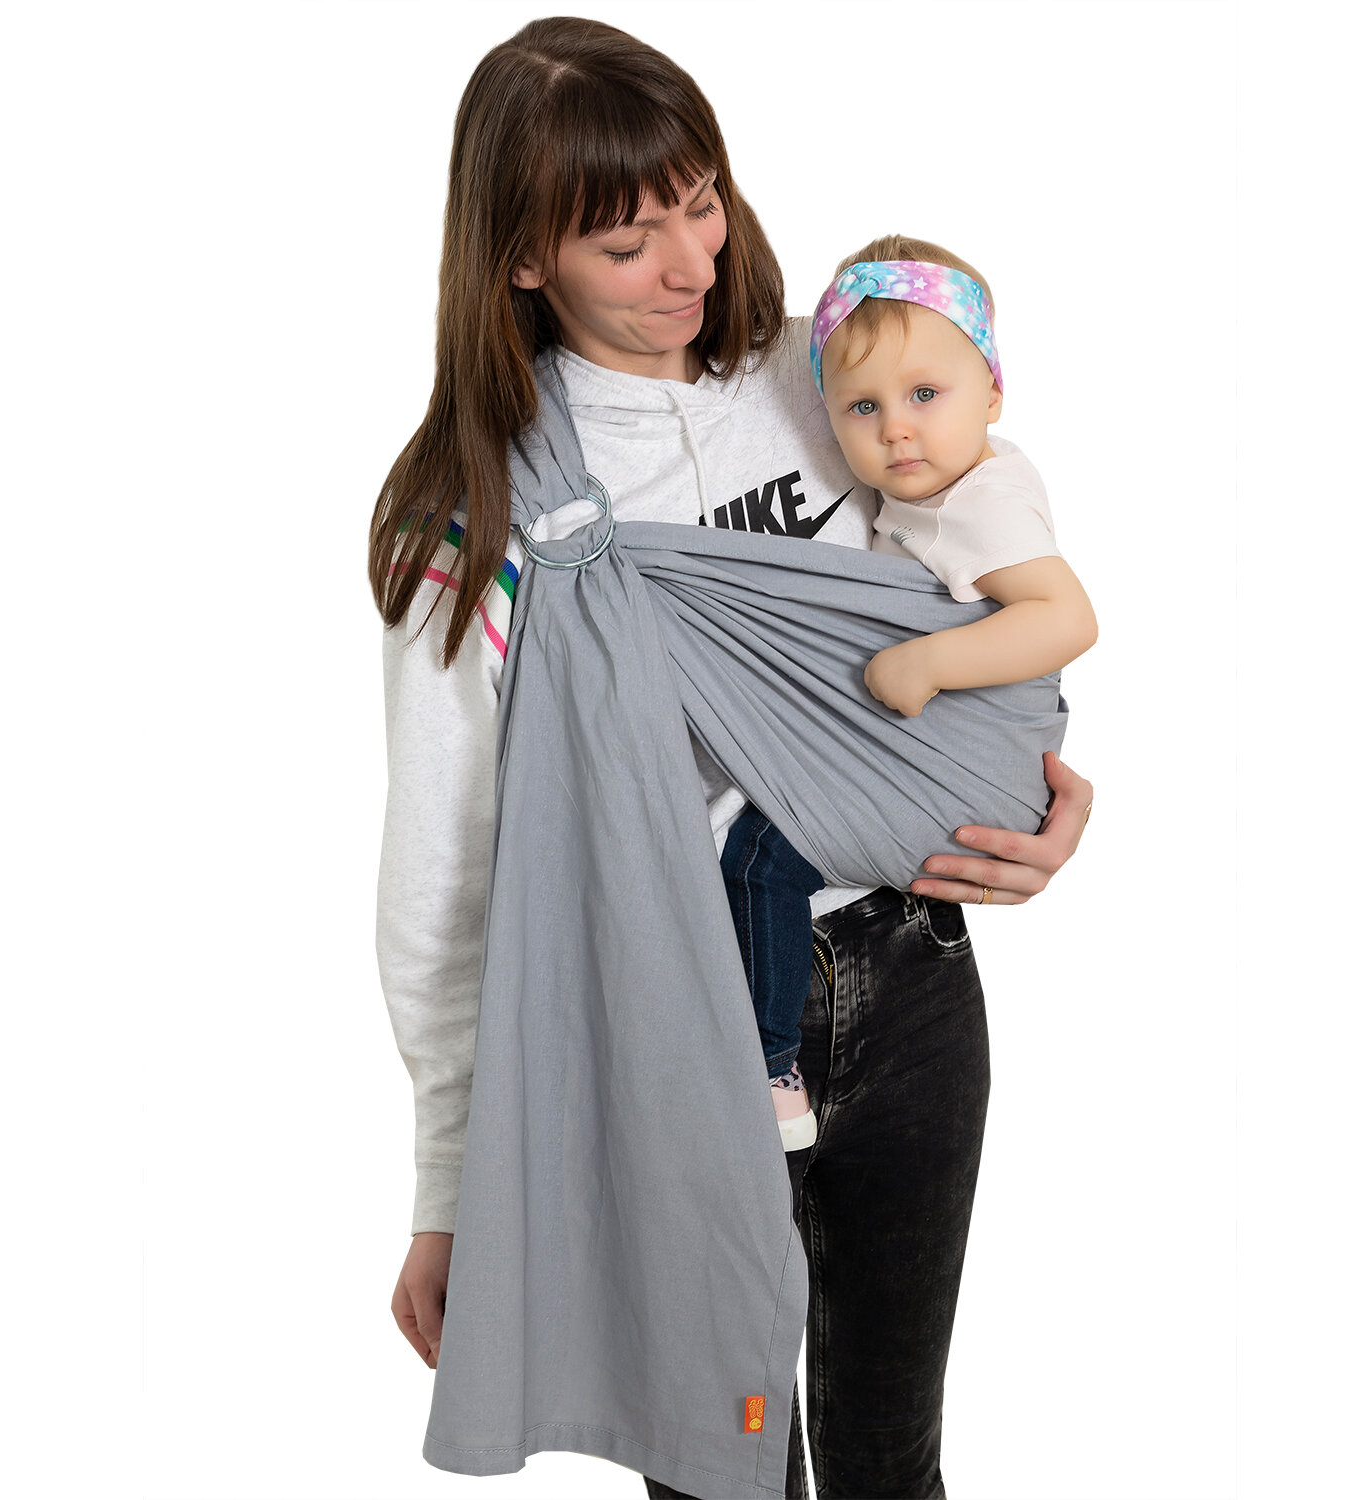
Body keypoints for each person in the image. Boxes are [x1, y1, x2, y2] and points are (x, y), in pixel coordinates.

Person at [370, 17, 1094, 1499]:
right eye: (626, 242)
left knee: (893, 1462)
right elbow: (448, 875)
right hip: (673, 1018)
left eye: (701, 203)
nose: (690, 265)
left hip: (913, 971)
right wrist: (450, 1182)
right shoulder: (477, 520)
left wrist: (1032, 788)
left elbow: (983, 592)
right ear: (524, 258)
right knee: (720, 1472)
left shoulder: (834, 376)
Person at [724, 234, 1098, 1153]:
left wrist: (927, 662)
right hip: (930, 783)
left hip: (953, 779)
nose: (896, 428)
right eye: (863, 406)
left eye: (926, 395)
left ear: (993, 392)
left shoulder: (980, 501)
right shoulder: (945, 486)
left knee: (761, 857)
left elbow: (1066, 618)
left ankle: (767, 1068)